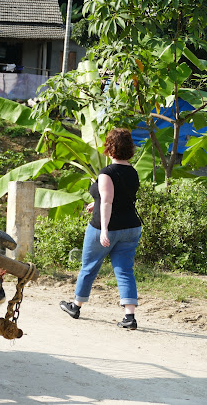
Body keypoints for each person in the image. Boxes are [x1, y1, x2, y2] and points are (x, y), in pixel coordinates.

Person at [60, 128, 142, 330]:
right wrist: (94, 204)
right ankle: (129, 316)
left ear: (110, 148)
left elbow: (107, 202)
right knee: (124, 270)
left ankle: (76, 305)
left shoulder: (107, 173)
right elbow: (118, 198)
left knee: (89, 266)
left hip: (105, 228)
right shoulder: (132, 171)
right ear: (129, 149)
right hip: (131, 228)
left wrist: (104, 230)